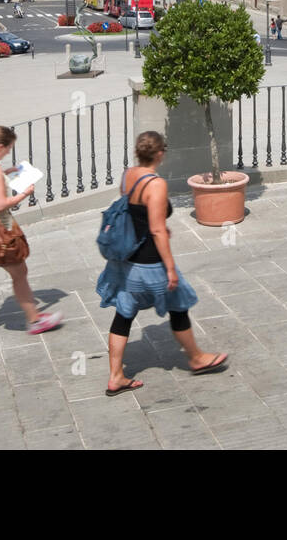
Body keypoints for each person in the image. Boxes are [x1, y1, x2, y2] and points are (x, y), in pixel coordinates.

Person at [97, 131, 227, 395]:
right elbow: (156, 230)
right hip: (150, 263)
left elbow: (134, 214)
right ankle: (196, 358)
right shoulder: (155, 184)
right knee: (179, 306)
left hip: (126, 262)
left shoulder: (128, 175)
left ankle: (116, 376)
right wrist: (169, 268)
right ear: (159, 154)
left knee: (123, 314)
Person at [0, 125, 62, 348]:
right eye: (7, 149)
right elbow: (1, 204)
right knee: (20, 273)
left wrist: (7, 174)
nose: (7, 153)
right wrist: (24, 194)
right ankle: (35, 320)